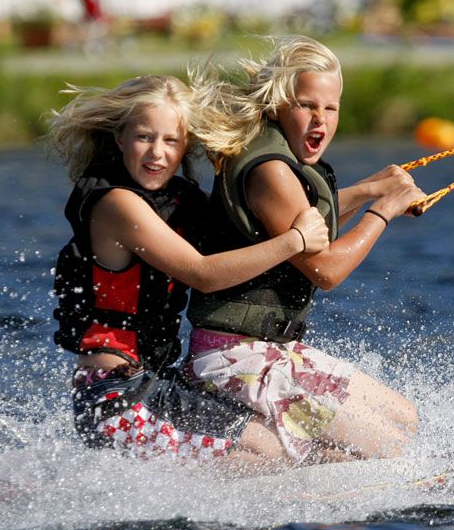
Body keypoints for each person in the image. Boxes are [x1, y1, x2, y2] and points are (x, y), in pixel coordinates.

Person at [48, 74, 330, 469]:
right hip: (114, 400)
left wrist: (371, 195)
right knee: (271, 453)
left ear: (186, 146)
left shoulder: (177, 199)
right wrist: (296, 240)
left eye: (171, 141)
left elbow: (267, 219)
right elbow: (203, 273)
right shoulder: (116, 204)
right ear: (120, 139)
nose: (157, 154)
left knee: (289, 437)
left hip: (157, 384)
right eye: (144, 137)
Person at [184, 36, 428, 465]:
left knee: (404, 418)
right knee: (392, 446)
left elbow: (307, 220)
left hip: (271, 350)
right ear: (277, 105)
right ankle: (281, 475)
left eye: (330, 108)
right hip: (234, 356)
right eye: (306, 106)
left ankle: (304, 477)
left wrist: (370, 188)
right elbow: (327, 270)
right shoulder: (272, 172)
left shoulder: (275, 157)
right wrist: (382, 211)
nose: (320, 120)